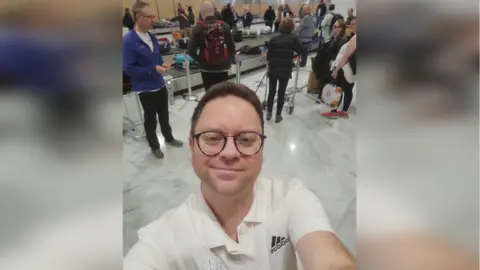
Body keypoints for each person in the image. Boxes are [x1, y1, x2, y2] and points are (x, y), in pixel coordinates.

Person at [124, 81, 356, 270]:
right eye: (213, 138)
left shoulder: (291, 199)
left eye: (246, 140)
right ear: (192, 145)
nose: (229, 153)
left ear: (262, 149)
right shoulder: (163, 241)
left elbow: (328, 257)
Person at [123, 0, 183, 158]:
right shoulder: (128, 41)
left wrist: (162, 65)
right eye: (150, 16)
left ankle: (168, 138)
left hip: (159, 83)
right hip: (145, 87)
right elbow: (128, 69)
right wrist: (153, 69)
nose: (153, 19)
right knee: (150, 118)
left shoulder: (151, 36)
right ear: (138, 17)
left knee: (164, 114)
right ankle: (154, 144)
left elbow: (156, 59)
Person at [188, 2, 236, 92]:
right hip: (223, 67)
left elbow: (190, 50)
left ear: (201, 13)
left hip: (207, 68)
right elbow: (231, 47)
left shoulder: (198, 28)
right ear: (213, 12)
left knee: (210, 94)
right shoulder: (225, 26)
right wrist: (228, 60)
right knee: (222, 93)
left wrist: (201, 60)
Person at [266, 18, 304, 123]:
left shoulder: (273, 39)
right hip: (285, 68)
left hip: (273, 67)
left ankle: (269, 113)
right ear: (292, 27)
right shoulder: (293, 39)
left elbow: (268, 56)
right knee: (281, 92)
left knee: (271, 91)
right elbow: (301, 50)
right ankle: (278, 115)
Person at [321, 20, 356, 119]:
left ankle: (333, 111)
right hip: (352, 69)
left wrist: (336, 69)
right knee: (348, 89)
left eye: (353, 24)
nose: (350, 25)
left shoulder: (354, 39)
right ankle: (343, 111)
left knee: (338, 88)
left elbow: (345, 56)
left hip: (345, 68)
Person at [314, 19, 348, 102]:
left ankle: (331, 103)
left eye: (336, 27)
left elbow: (340, 53)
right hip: (329, 64)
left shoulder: (342, 39)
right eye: (333, 26)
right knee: (325, 80)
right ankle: (323, 97)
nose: (333, 28)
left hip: (335, 65)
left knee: (334, 84)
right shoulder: (334, 37)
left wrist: (333, 60)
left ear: (341, 28)